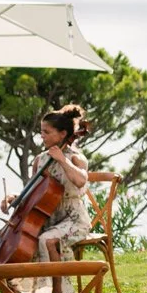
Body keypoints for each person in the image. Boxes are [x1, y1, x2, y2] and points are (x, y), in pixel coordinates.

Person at [34, 103, 92, 263]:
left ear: (62, 134)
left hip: (74, 220)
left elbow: (80, 181)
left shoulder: (75, 158)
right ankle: (14, 282)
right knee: (28, 239)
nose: (42, 136)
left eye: (47, 132)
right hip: (49, 219)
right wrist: (12, 198)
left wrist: (62, 159)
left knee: (47, 240)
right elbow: (33, 191)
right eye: (41, 132)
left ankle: (58, 289)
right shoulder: (40, 160)